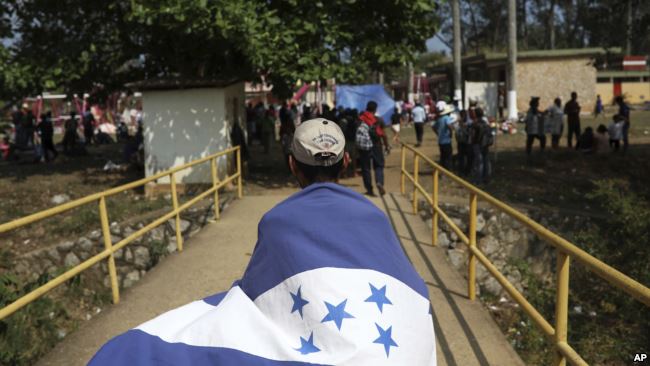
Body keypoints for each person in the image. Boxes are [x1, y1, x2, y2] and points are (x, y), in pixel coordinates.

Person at [89, 118, 437, 365]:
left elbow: (258, 297)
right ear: (347, 163)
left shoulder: (277, 221)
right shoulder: (376, 217)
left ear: (292, 166)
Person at [356, 101, 388, 196]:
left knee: (366, 168)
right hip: (377, 145)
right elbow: (384, 134)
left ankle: (369, 190)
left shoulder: (360, 119)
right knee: (378, 166)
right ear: (375, 109)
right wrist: (386, 145)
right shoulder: (379, 120)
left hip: (364, 147)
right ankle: (379, 182)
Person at [469, 108, 493, 184]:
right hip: (485, 144)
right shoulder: (485, 123)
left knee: (479, 162)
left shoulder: (475, 124)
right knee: (486, 161)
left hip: (477, 144)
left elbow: (472, 135)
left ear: (475, 114)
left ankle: (478, 180)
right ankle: (487, 178)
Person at [432, 102, 455, 170]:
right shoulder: (447, 118)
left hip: (441, 141)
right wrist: (451, 132)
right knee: (448, 156)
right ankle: (448, 170)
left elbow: (433, 127)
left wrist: (437, 133)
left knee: (443, 156)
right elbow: (449, 125)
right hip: (447, 141)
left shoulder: (439, 119)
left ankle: (442, 170)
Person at [454, 110, 471, 175]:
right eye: (463, 115)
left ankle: (467, 170)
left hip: (467, 142)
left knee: (467, 157)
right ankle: (461, 170)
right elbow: (456, 133)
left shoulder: (468, 123)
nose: (464, 116)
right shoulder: (458, 124)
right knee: (461, 157)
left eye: (465, 115)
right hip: (461, 142)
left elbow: (469, 133)